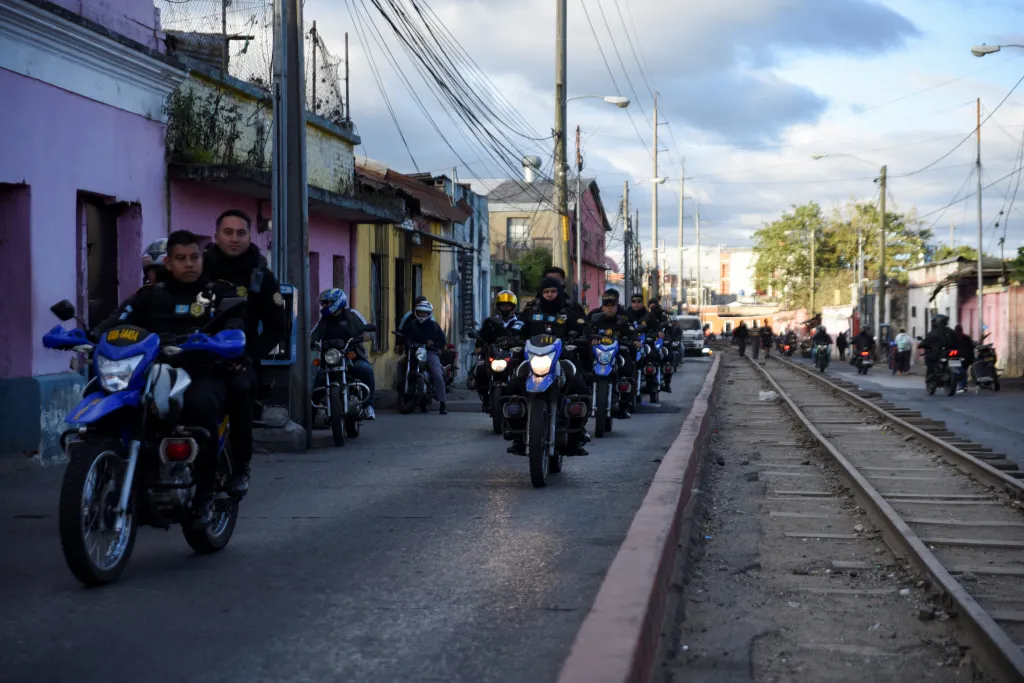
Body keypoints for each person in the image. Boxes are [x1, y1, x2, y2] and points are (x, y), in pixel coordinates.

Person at [95, 230, 244, 528]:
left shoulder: (219, 294)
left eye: (194, 257)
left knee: (200, 414)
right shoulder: (148, 296)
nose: (188, 264)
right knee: (108, 408)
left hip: (201, 371)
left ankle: (203, 499)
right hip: (149, 371)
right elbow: (115, 322)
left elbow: (237, 323)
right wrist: (87, 335)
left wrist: (227, 339)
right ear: (169, 264)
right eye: (180, 258)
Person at [202, 209, 286, 496]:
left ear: (250, 237)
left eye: (240, 233)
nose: (234, 239)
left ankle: (240, 467)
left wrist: (252, 354)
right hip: (194, 354)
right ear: (216, 235)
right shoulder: (199, 268)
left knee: (239, 393)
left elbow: (278, 326)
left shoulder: (260, 276)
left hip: (239, 359)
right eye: (228, 232)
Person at [507, 276, 590, 455]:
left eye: (553, 291)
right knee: (512, 387)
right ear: (541, 293)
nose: (550, 295)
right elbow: (520, 324)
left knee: (580, 388)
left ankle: (576, 436)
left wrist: (582, 336)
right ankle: (517, 435)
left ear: (559, 292)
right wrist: (514, 335)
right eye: (546, 292)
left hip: (562, 357)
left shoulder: (570, 310)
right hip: (533, 358)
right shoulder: (531, 309)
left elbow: (584, 326)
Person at [310, 288, 377, 419]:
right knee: (319, 380)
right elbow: (312, 335)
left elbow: (368, 330)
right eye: (322, 303)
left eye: (326, 303)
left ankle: (368, 406)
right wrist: (311, 342)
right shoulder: (323, 320)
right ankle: (310, 416)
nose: (323, 306)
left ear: (337, 302)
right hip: (330, 360)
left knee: (366, 370)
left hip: (352, 357)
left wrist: (363, 337)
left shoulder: (352, 314)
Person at [473, 290, 526, 406]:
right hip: (494, 353)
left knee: (525, 370)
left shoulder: (520, 322)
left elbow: (525, 336)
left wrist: (521, 343)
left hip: (514, 354)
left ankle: (522, 397)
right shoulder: (490, 321)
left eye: (508, 305)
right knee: (480, 369)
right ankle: (485, 396)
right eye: (503, 305)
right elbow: (482, 335)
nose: (505, 308)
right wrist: (478, 346)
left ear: (513, 306)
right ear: (498, 306)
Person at [586, 292, 636, 418]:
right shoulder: (595, 319)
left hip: (617, 353)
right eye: (606, 305)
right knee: (583, 369)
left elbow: (632, 334)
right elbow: (585, 331)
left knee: (628, 370)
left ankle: (624, 406)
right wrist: (590, 337)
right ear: (602, 307)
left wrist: (634, 341)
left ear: (616, 306)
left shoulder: (622, 320)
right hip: (597, 354)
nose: (609, 308)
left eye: (612, 305)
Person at [398, 299, 449, 414]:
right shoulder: (410, 325)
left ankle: (442, 403)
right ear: (416, 312)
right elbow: (403, 336)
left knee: (437, 374)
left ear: (429, 313)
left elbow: (442, 342)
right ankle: (401, 390)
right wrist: (403, 343)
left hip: (429, 353)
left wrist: (433, 344)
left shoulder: (434, 326)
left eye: (424, 312)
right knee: (401, 365)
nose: (422, 314)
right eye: (420, 312)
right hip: (413, 352)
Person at [953, 324, 975, 392]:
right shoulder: (967, 337)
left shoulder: (954, 338)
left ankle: (962, 386)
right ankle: (963, 385)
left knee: (959, 371)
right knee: (963, 371)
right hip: (967, 358)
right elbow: (972, 347)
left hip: (958, 357)